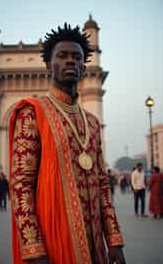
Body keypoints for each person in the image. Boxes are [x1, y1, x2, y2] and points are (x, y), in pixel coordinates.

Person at [9, 23, 125, 264]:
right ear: (49, 66)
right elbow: (21, 185)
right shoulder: (32, 112)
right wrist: (33, 248)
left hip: (95, 244)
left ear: (84, 67)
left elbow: (102, 184)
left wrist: (114, 240)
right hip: (54, 241)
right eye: (62, 56)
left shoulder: (91, 122)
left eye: (77, 57)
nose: (70, 61)